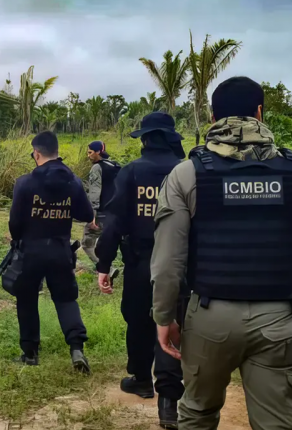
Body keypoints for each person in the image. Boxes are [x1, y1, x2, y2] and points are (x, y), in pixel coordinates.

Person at [151, 76, 292, 430]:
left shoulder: (187, 174)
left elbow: (167, 264)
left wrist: (164, 317)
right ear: (260, 113)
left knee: (197, 415)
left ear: (211, 117)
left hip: (209, 319)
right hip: (278, 317)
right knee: (278, 423)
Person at [95, 112, 186, 429]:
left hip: (139, 260)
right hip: (181, 263)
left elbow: (114, 223)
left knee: (137, 319)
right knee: (173, 321)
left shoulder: (132, 171)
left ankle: (141, 378)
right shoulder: (186, 171)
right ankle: (171, 398)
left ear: (145, 138)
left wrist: (103, 264)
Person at [8, 131, 94, 373]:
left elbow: (15, 223)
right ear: (57, 152)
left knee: (26, 299)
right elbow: (86, 215)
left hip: (31, 251)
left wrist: (19, 239)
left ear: (36, 153)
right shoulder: (73, 181)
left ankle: (30, 353)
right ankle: (77, 349)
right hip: (60, 251)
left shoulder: (24, 183)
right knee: (66, 300)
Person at [83, 141, 120, 272]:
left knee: (87, 243)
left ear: (98, 152)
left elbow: (95, 192)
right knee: (111, 241)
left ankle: (107, 269)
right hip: (115, 212)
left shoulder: (96, 168)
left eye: (90, 152)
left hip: (101, 212)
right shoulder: (115, 165)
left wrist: (91, 215)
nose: (88, 156)